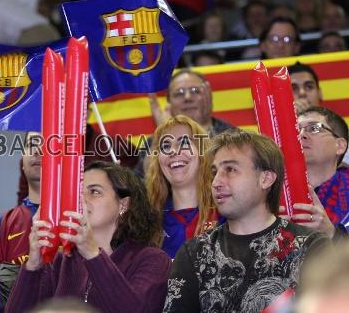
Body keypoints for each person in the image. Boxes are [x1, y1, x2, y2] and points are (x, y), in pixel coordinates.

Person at [163, 130, 328, 312]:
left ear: (266, 179)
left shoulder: (311, 247)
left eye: (231, 170)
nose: (216, 182)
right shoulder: (194, 253)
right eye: (214, 172)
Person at [6, 161, 170, 313]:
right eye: (78, 192)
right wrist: (33, 265)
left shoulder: (152, 260)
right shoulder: (60, 260)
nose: (81, 200)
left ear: (123, 204)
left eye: (94, 191)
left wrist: (92, 255)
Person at [0, 132, 41, 308]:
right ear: (22, 161)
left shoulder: (82, 217)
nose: (38, 150)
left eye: (49, 144)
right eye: (32, 144)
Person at [145, 115, 219, 258]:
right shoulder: (147, 222)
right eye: (165, 146)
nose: (173, 151)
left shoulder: (227, 212)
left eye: (184, 143)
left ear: (202, 153)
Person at [297, 106, 349, 229]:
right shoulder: (272, 193)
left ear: (340, 146)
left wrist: (331, 235)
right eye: (297, 130)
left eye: (314, 128)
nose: (301, 135)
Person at [150, 69, 234, 137]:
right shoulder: (154, 141)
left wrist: (202, 127)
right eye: (179, 93)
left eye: (195, 91)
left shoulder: (231, 135)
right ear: (169, 104)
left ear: (208, 96)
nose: (187, 97)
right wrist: (165, 135)